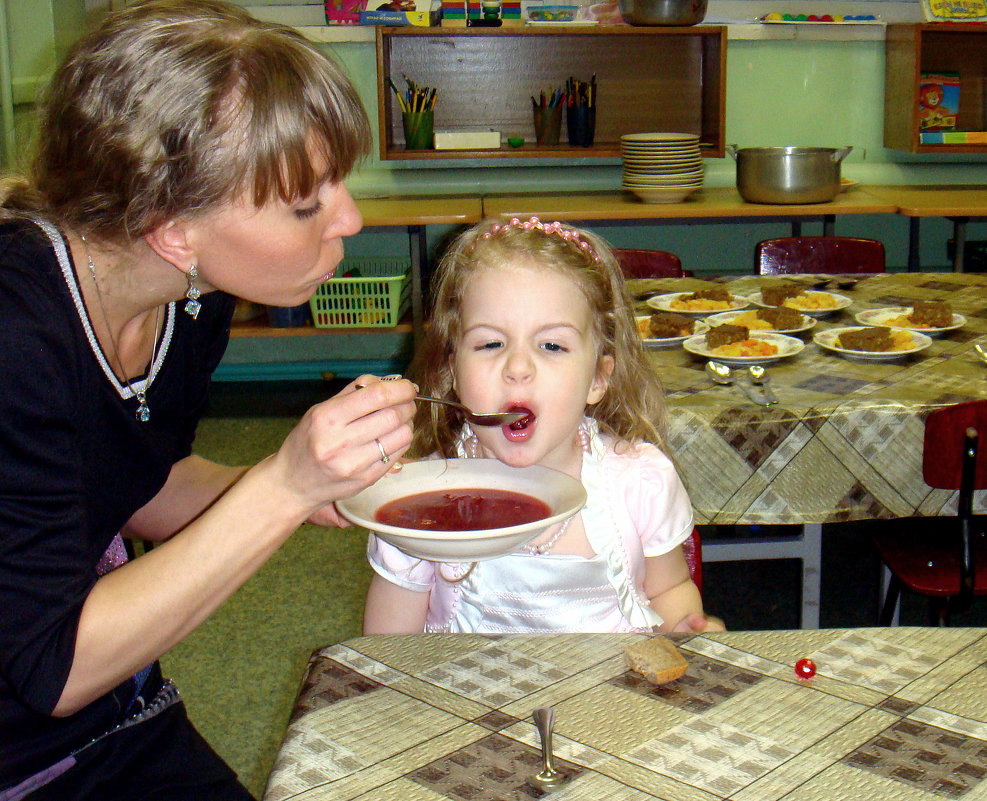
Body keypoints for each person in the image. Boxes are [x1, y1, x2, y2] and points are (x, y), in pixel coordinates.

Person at [0, 2, 418, 799]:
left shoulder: (190, 292)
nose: (351, 217)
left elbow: (140, 482)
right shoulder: (17, 337)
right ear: (172, 229)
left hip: (114, 715)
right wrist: (282, 484)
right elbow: (55, 666)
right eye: (305, 204)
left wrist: (311, 491)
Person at [363, 217, 724, 635]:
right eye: (490, 344)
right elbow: (389, 650)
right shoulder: (418, 503)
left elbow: (669, 590)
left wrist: (686, 628)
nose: (518, 368)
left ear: (597, 378)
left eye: (551, 345)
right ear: (452, 370)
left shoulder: (639, 481)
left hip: (612, 698)